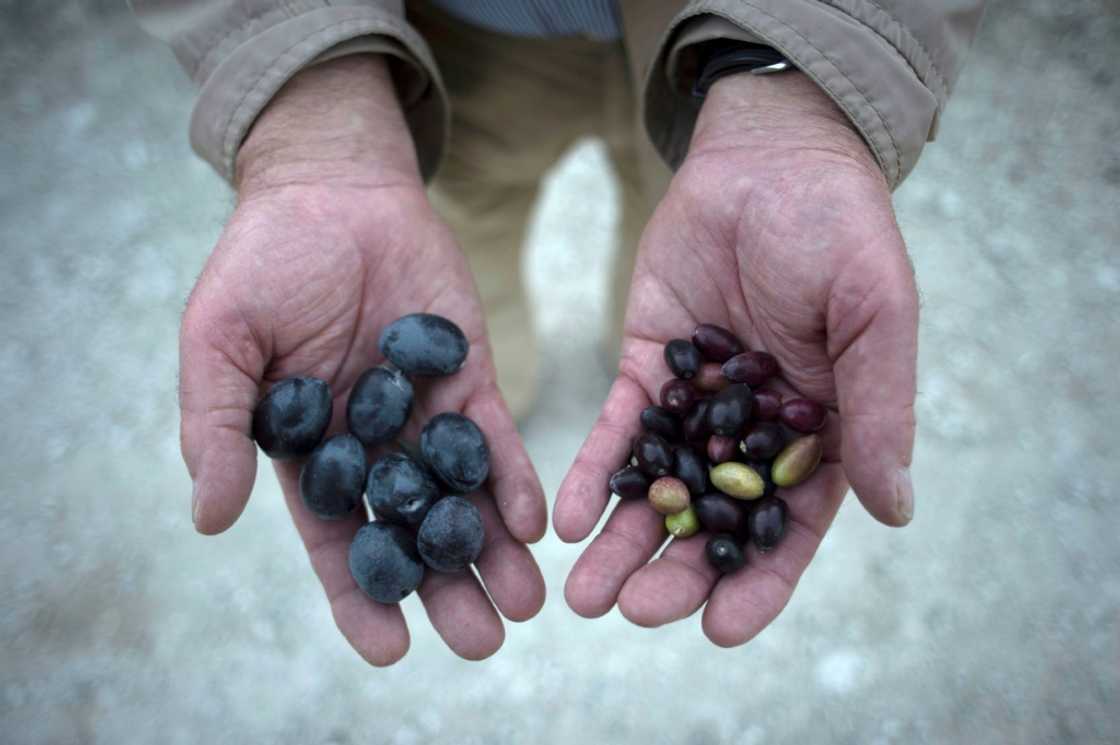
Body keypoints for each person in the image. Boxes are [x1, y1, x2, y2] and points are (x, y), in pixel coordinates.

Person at [132, 0, 985, 664]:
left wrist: (808, 70)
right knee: (462, 247)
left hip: (736, 47)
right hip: (449, 43)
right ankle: (523, 375)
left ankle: (604, 345)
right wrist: (310, 100)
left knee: (673, 280)